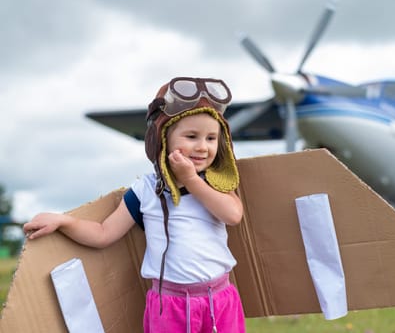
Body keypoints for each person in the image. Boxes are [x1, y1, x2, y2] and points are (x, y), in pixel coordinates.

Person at [23, 76, 246, 333]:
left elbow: (233, 215)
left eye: (211, 138)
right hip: (170, 304)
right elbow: (104, 234)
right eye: (192, 136)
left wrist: (191, 180)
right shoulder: (146, 190)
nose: (202, 147)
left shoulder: (215, 183)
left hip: (219, 298)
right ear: (163, 138)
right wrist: (64, 221)